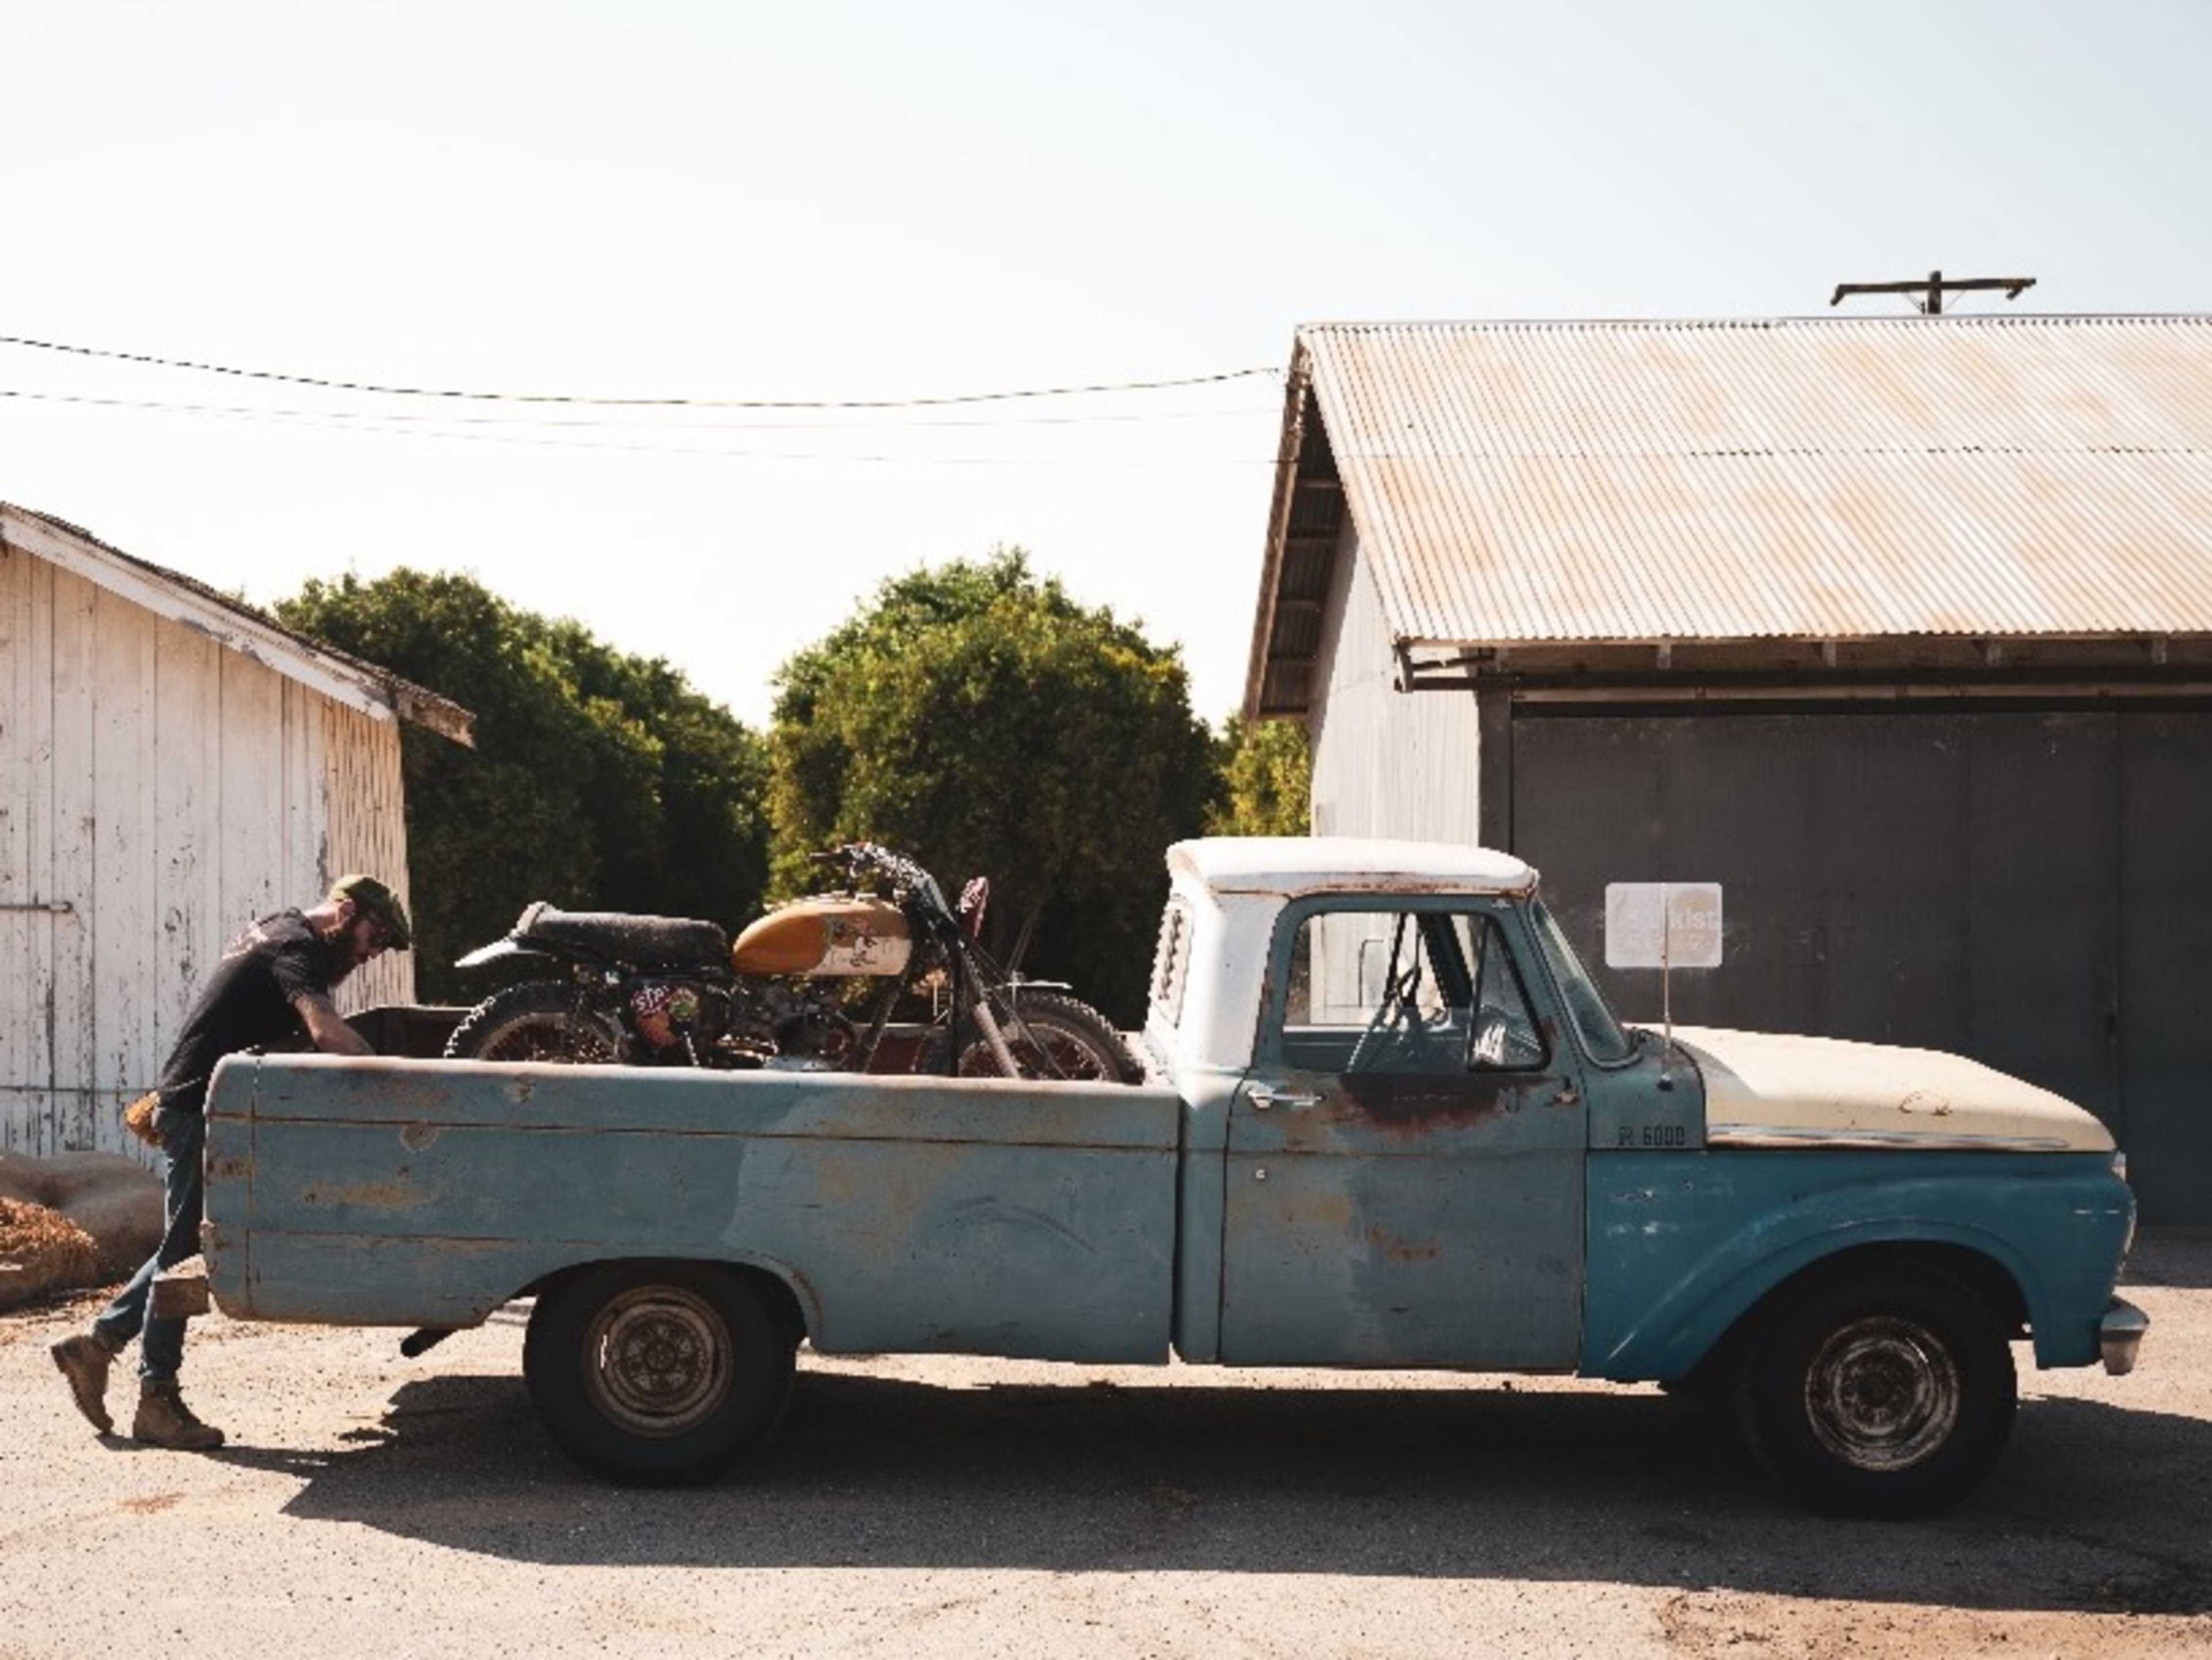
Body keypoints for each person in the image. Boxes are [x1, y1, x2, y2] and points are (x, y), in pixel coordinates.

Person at [50, 874, 412, 1450]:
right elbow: (327, 1033)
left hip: (198, 1103)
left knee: (189, 1244)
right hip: (198, 1110)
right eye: (376, 934)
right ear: (346, 911)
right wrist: (401, 1079)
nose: (372, 952)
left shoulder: (275, 927)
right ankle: (148, 1391)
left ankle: (103, 1349)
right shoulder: (298, 948)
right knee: (187, 1251)